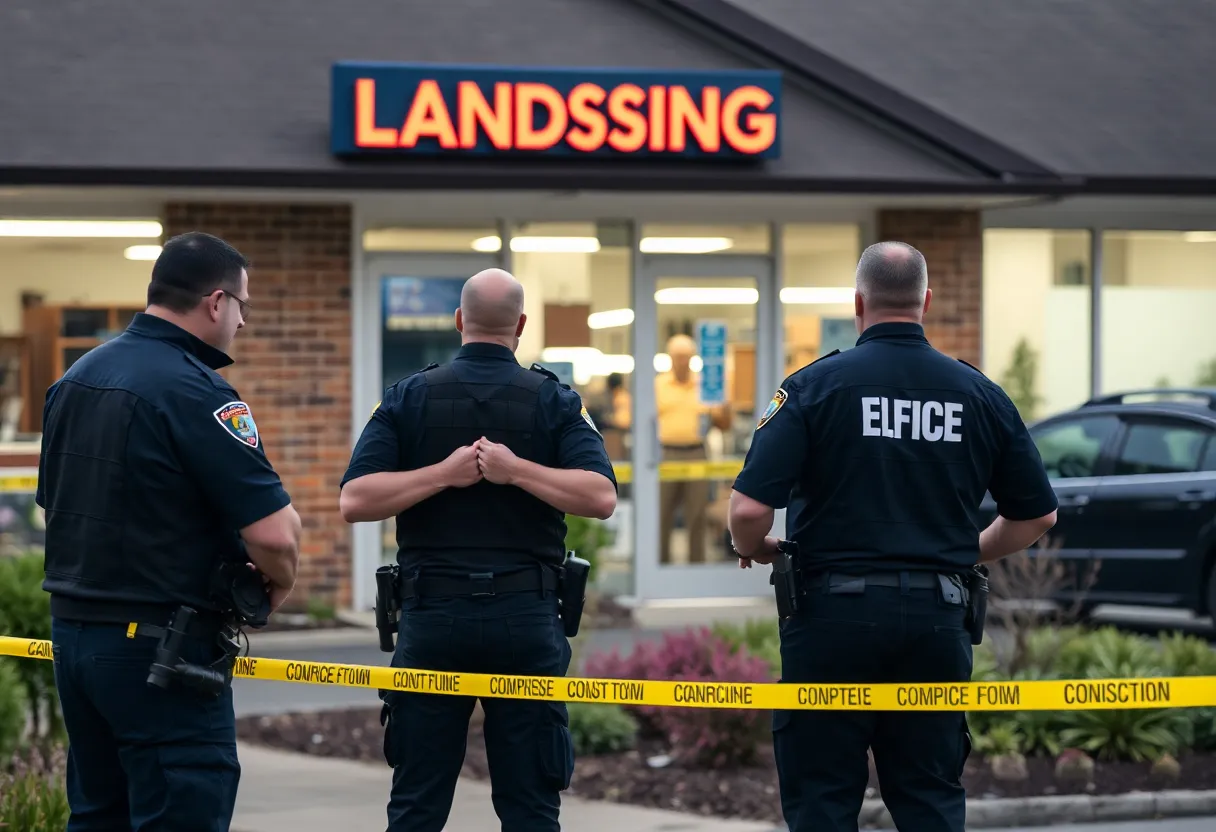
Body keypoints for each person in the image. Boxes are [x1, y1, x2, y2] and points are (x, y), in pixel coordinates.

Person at [727, 242, 1058, 832]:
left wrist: (755, 548)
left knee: (823, 798)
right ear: (926, 301)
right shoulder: (979, 394)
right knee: (929, 798)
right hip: (938, 620)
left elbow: (750, 509)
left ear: (858, 301)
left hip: (831, 622)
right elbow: (1036, 517)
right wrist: (961, 555)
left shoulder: (813, 388)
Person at [36, 231, 302, 831]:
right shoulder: (194, 390)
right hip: (161, 650)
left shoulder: (77, 377)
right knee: (182, 808)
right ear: (215, 303)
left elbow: (57, 509)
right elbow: (275, 535)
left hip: (77, 641)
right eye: (243, 307)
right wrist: (276, 584)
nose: (242, 322)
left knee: (100, 814)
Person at [339, 268, 618, 832]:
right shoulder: (555, 401)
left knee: (416, 805)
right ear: (520, 324)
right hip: (526, 622)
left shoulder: (409, 396)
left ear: (459, 321)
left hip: (433, 619)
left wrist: (504, 471)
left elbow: (355, 499)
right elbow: (601, 494)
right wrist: (461, 473)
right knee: (531, 809)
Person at [656, 333, 732, 563]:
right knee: (662, 513)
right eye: (677, 356)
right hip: (665, 452)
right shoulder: (658, 385)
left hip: (697, 451)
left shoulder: (704, 385)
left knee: (697, 513)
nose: (682, 360)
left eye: (686, 356)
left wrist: (724, 400)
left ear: (692, 357)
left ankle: (696, 565)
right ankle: (660, 564)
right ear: (669, 357)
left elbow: (724, 424)